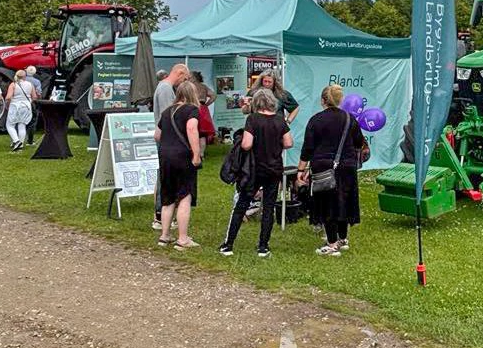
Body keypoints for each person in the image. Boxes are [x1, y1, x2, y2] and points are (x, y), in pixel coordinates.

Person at [219, 89, 292, 258]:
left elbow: (246, 144)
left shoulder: (253, 119)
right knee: (268, 207)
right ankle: (263, 247)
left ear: (256, 102)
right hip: (274, 169)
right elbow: (288, 143)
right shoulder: (279, 120)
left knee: (242, 204)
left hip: (253, 169)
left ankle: (228, 245)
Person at [297, 84, 367, 257]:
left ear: (323, 100)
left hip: (323, 166)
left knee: (326, 203)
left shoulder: (316, 120)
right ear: (340, 100)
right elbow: (359, 143)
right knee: (344, 199)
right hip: (347, 166)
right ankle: (343, 238)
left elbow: (308, 148)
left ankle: (332, 243)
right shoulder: (350, 119)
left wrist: (300, 170)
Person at [154, 81, 202, 250]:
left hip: (165, 156)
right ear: (192, 94)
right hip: (182, 156)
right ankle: (182, 239)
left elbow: (157, 135)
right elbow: (191, 128)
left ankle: (164, 235)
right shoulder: (192, 110)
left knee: (167, 197)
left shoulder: (167, 112)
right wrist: (196, 154)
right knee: (184, 196)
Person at [151, 64, 190, 230]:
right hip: (168, 140)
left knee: (164, 178)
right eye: (185, 79)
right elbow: (170, 116)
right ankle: (160, 215)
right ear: (179, 73)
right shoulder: (166, 89)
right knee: (166, 180)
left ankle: (161, 214)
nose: (183, 83)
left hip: (164, 139)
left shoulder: (163, 86)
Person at [4, 70, 37, 151]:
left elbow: (8, 97)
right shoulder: (30, 84)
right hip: (26, 106)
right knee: (22, 125)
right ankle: (20, 145)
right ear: (25, 76)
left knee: (10, 125)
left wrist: (7, 104)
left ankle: (16, 141)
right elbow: (34, 97)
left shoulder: (13, 84)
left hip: (15, 105)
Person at [191, 71, 217, 154]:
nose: (188, 78)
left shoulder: (189, 86)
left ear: (194, 78)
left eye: (190, 76)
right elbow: (214, 95)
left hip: (193, 108)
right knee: (202, 133)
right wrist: (207, 104)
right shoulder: (203, 86)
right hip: (203, 108)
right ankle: (201, 153)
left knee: (193, 130)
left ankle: (195, 152)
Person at [24, 66, 43, 146]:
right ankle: (30, 141)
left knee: (21, 122)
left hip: (21, 102)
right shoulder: (37, 81)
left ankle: (17, 140)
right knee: (32, 122)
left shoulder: (22, 80)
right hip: (32, 103)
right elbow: (38, 93)